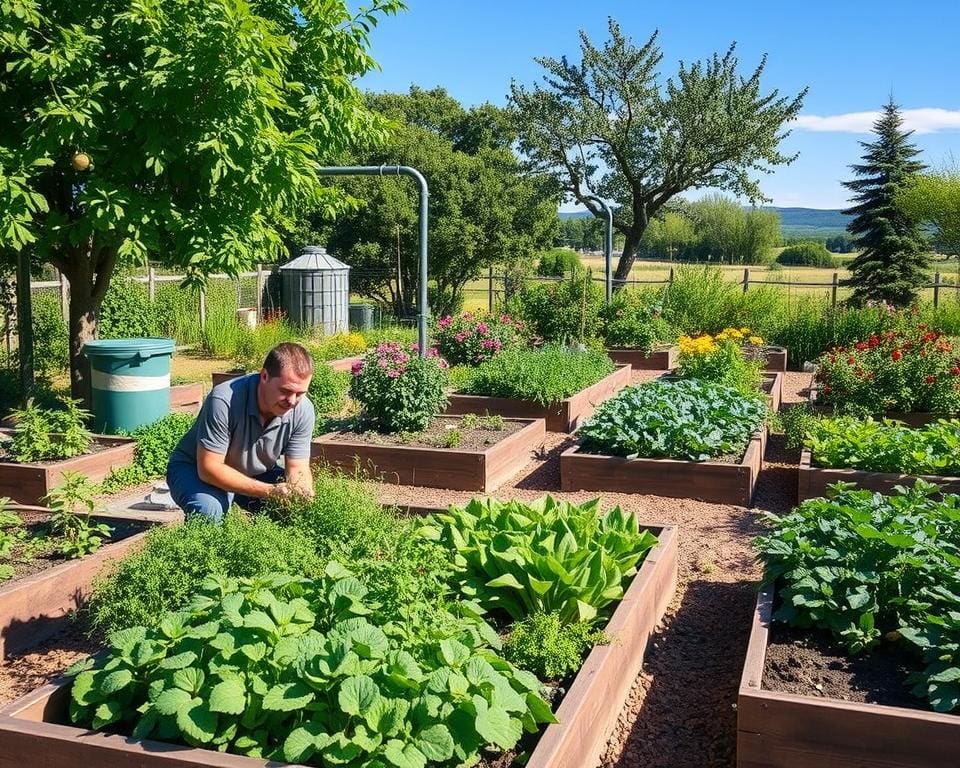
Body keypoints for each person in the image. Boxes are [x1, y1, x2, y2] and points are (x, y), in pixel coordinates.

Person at [167, 341, 316, 522]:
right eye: (285, 391)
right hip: (194, 469)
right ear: (264, 376)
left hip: (254, 471)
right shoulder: (224, 400)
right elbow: (209, 468)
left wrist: (301, 492)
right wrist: (269, 491)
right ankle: (196, 550)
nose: (292, 401)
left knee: (293, 508)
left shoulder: (303, 410)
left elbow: (298, 468)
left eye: (300, 393)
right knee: (209, 510)